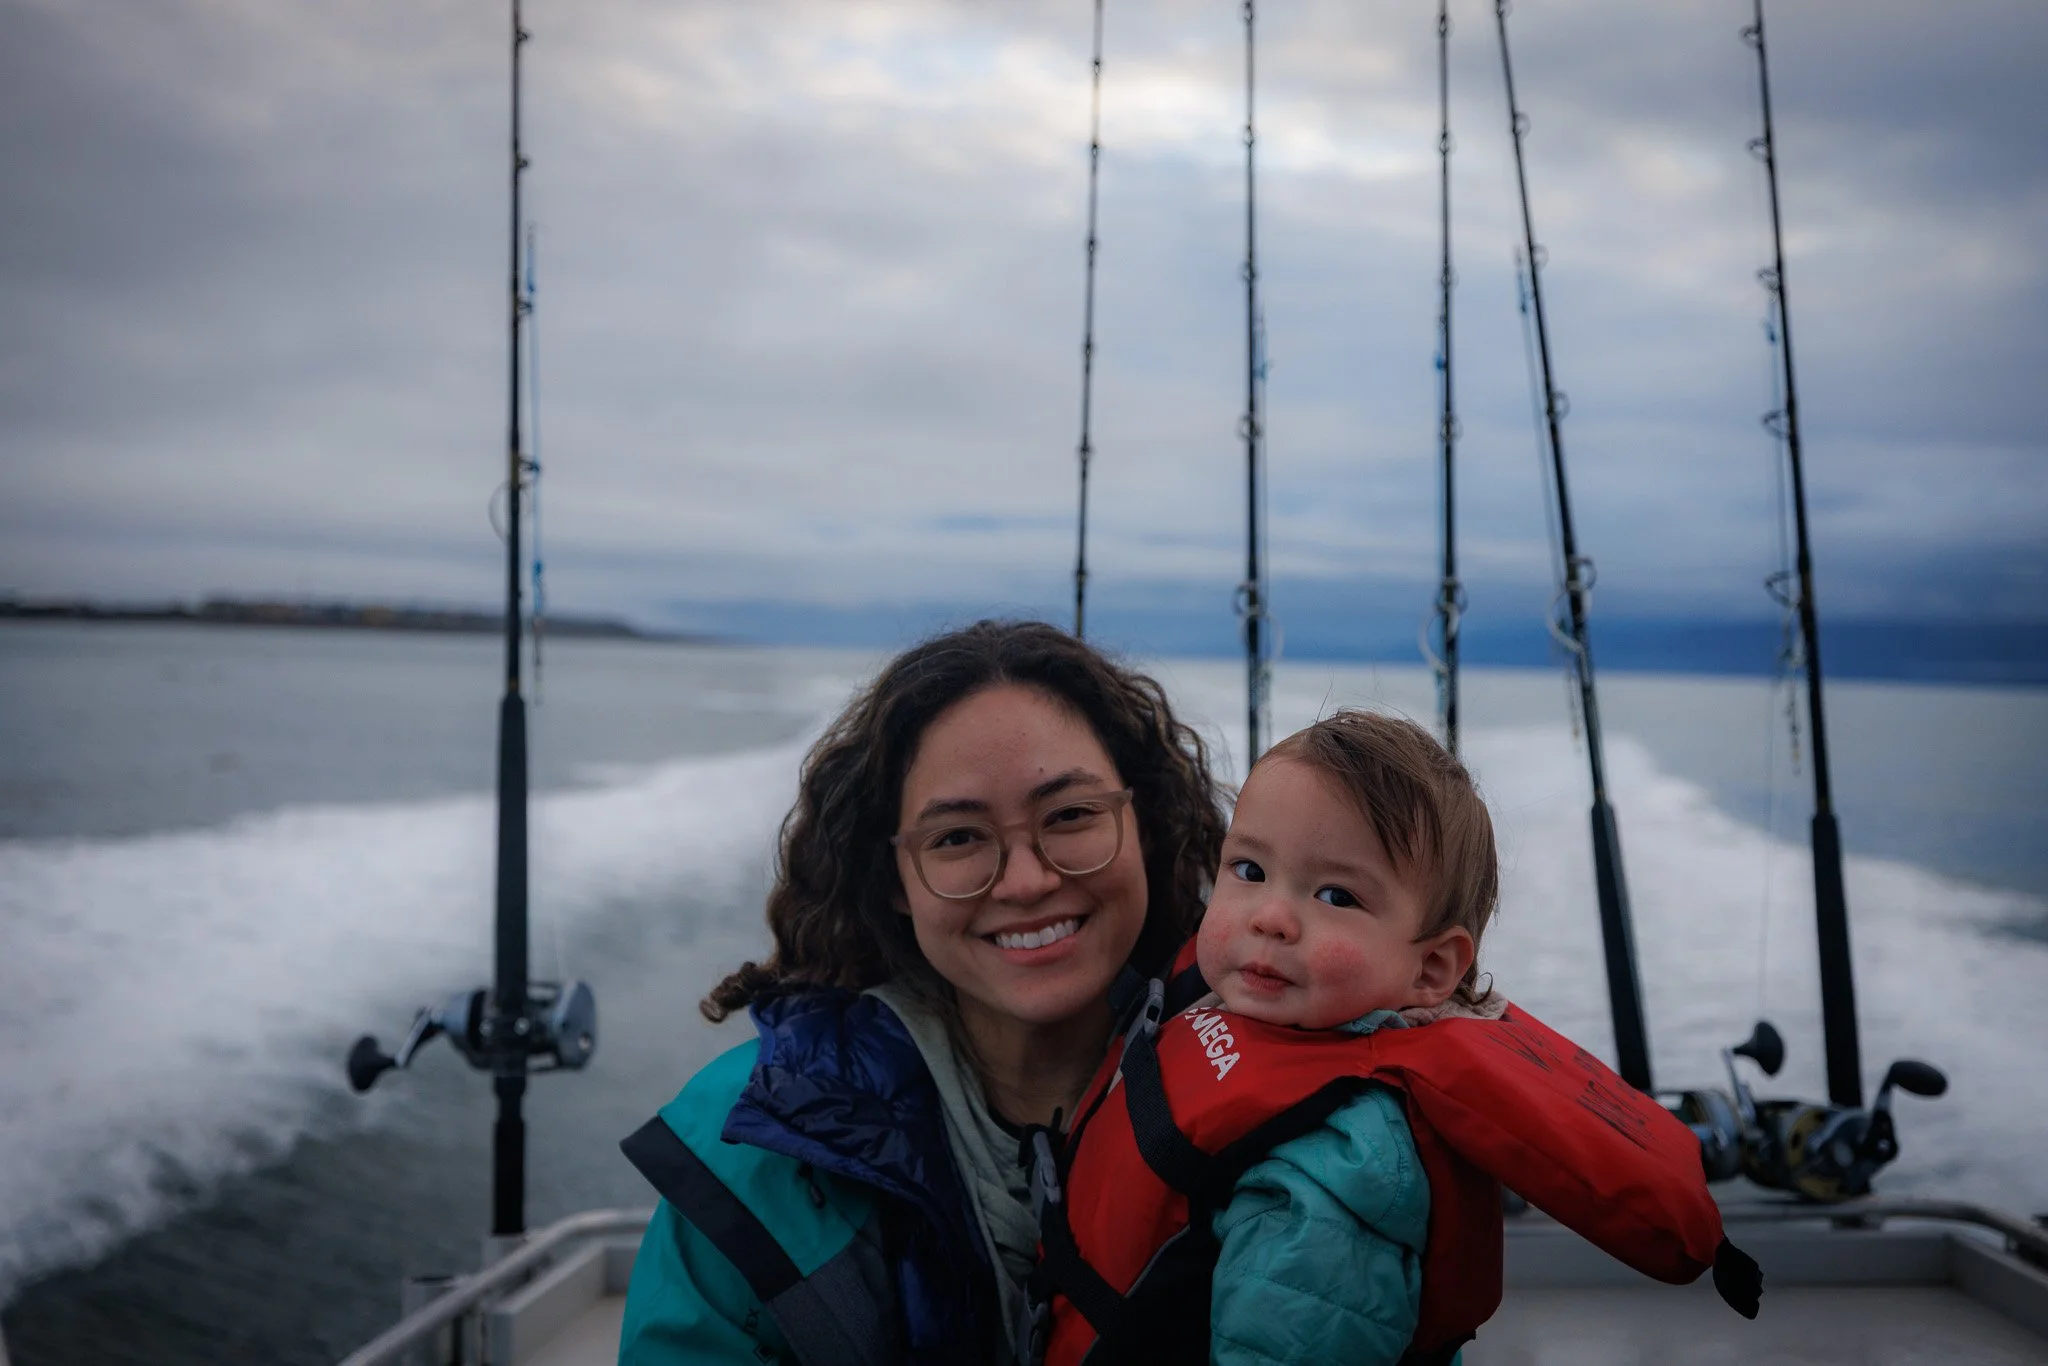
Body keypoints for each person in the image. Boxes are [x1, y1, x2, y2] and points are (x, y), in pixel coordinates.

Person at [1030, 710, 1752, 1366]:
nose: (1270, 916)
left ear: (1431, 969)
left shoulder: (1341, 1166)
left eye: (1336, 896)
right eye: (1249, 870)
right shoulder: (1232, 1009)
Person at [616, 619, 1229, 1365]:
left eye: (1070, 815)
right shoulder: (756, 1145)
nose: (1027, 881)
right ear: (894, 882)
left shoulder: (1287, 1107)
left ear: (1146, 824)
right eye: (958, 837)